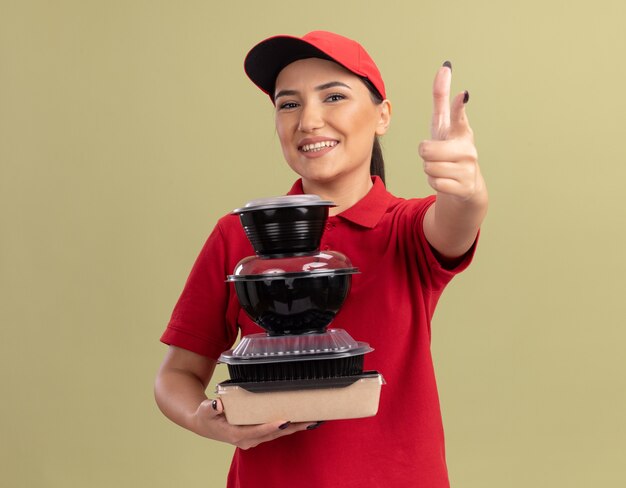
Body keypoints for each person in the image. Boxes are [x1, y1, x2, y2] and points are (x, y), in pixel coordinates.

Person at [154, 31, 488, 488]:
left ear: (382, 115)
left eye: (333, 96)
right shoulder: (237, 235)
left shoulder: (405, 227)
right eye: (288, 104)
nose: (309, 120)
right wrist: (203, 419)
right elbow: (177, 374)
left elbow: (454, 221)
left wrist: (467, 192)